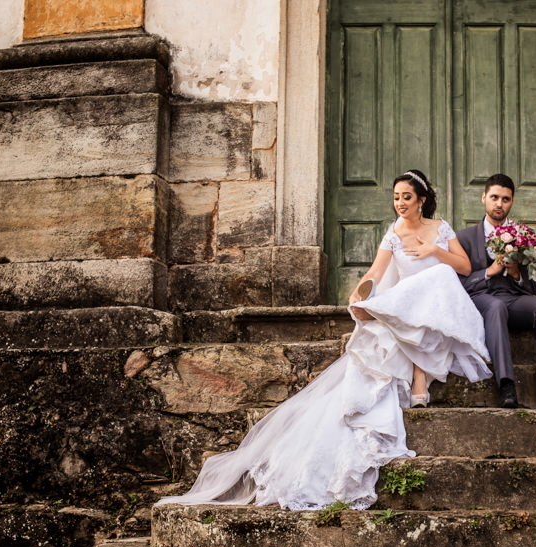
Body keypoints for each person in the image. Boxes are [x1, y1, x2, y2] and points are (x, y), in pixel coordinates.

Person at [156, 170, 490, 511]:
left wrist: (433, 249)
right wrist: (360, 293)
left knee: (439, 276)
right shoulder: (394, 233)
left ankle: (415, 366)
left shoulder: (440, 228)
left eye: (406, 197)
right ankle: (401, 345)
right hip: (407, 306)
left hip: (437, 305)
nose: (400, 203)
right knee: (406, 303)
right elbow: (375, 272)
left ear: (421, 199)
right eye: (396, 198)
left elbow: (464, 267)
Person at [456, 173, 536, 410]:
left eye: (505, 199)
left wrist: (516, 275)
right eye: (494, 197)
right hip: (482, 301)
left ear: (511, 201)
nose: (499, 204)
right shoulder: (464, 238)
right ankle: (506, 387)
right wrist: (489, 272)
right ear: (483, 198)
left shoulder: (525, 236)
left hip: (515, 299)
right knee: (496, 306)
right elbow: (458, 285)